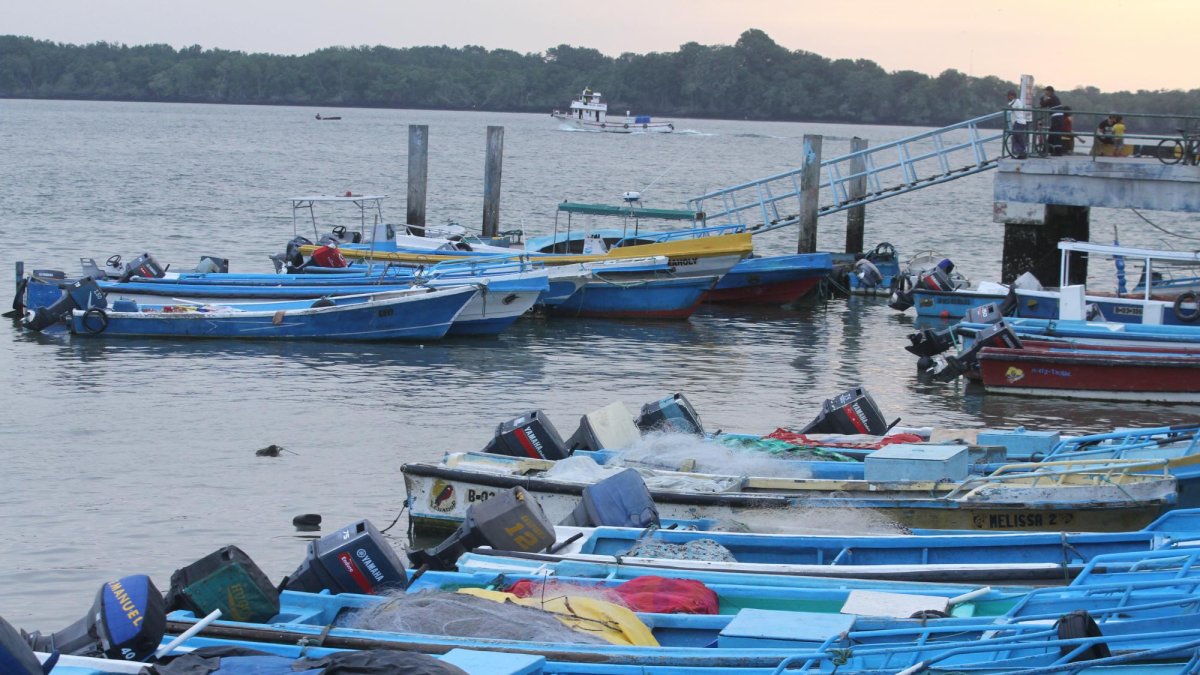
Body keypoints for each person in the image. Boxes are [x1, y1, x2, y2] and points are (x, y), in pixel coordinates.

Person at [1038, 86, 1065, 156]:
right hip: (1057, 118)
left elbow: (1043, 105)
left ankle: (1057, 151)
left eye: (1045, 91)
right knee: (1052, 133)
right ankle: (1048, 149)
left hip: (1057, 118)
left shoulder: (1051, 97)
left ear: (1049, 91)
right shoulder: (1054, 97)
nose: (1044, 93)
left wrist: (1041, 99)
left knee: (1055, 134)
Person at [1006, 90, 1031, 158]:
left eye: (1009, 96)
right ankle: (1020, 152)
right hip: (1018, 122)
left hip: (1019, 122)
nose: (1008, 98)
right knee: (1016, 138)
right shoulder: (1015, 102)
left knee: (1018, 137)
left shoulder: (1016, 101)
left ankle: (1022, 151)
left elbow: (1010, 107)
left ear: (1012, 96)